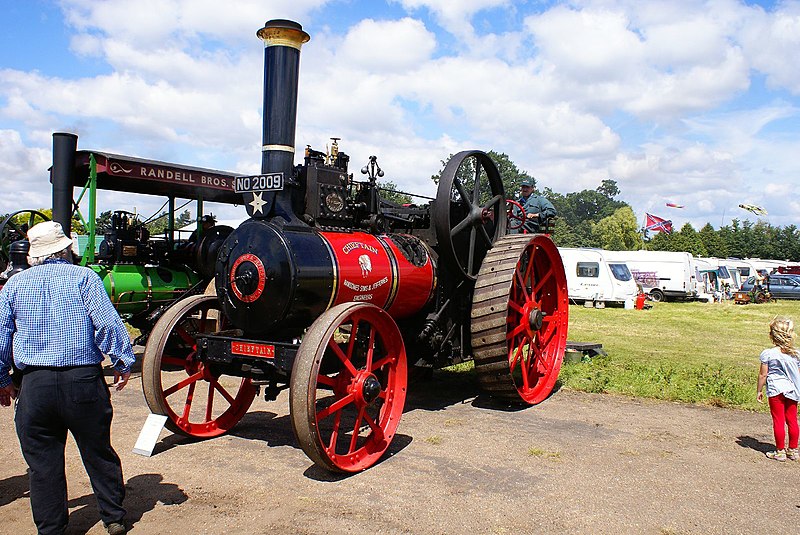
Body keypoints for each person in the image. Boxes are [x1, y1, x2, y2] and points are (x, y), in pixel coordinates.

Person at [0, 221, 135, 535]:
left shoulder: (15, 286)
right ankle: (113, 517)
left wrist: (2, 379)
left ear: (34, 254)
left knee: (42, 463)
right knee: (98, 451)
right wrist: (123, 362)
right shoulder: (84, 278)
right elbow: (107, 324)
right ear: (64, 249)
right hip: (83, 382)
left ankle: (51, 529)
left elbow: (2, 336)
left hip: (34, 385)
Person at [756, 316, 800, 461]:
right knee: (792, 420)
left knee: (778, 420)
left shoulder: (768, 354)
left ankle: (780, 451)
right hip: (792, 390)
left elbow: (763, 374)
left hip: (776, 390)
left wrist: (759, 390)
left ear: (772, 335)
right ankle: (793, 450)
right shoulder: (795, 354)